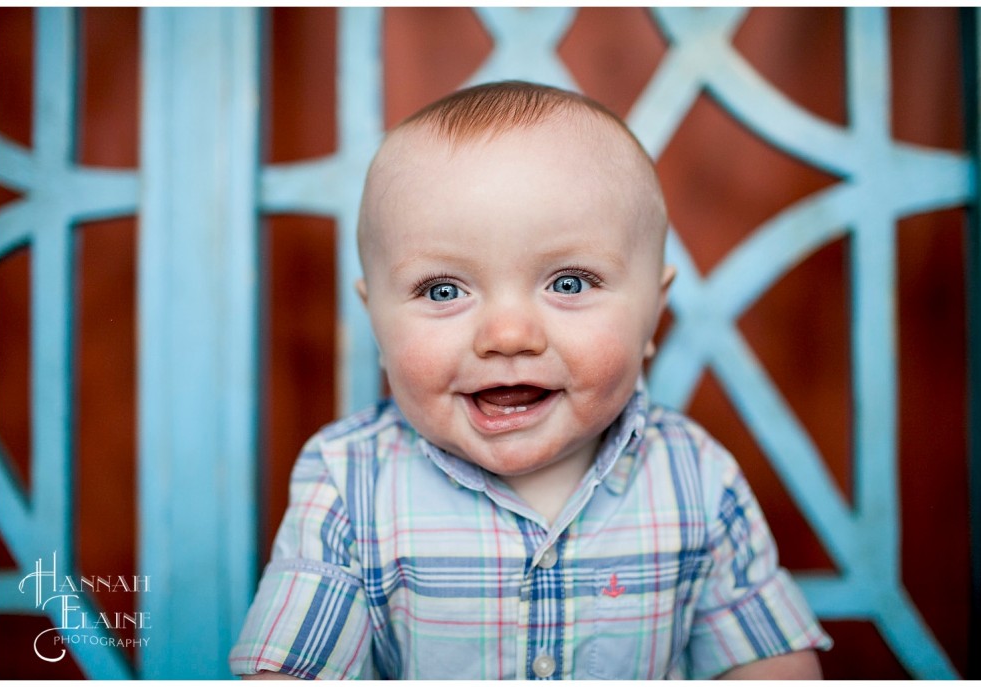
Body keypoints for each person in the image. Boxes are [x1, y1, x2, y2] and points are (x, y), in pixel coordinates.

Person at [229, 80, 831, 680]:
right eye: (443, 290)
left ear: (653, 312)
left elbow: (769, 661)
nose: (509, 334)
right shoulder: (347, 482)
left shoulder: (697, 478)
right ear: (376, 326)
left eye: (568, 283)